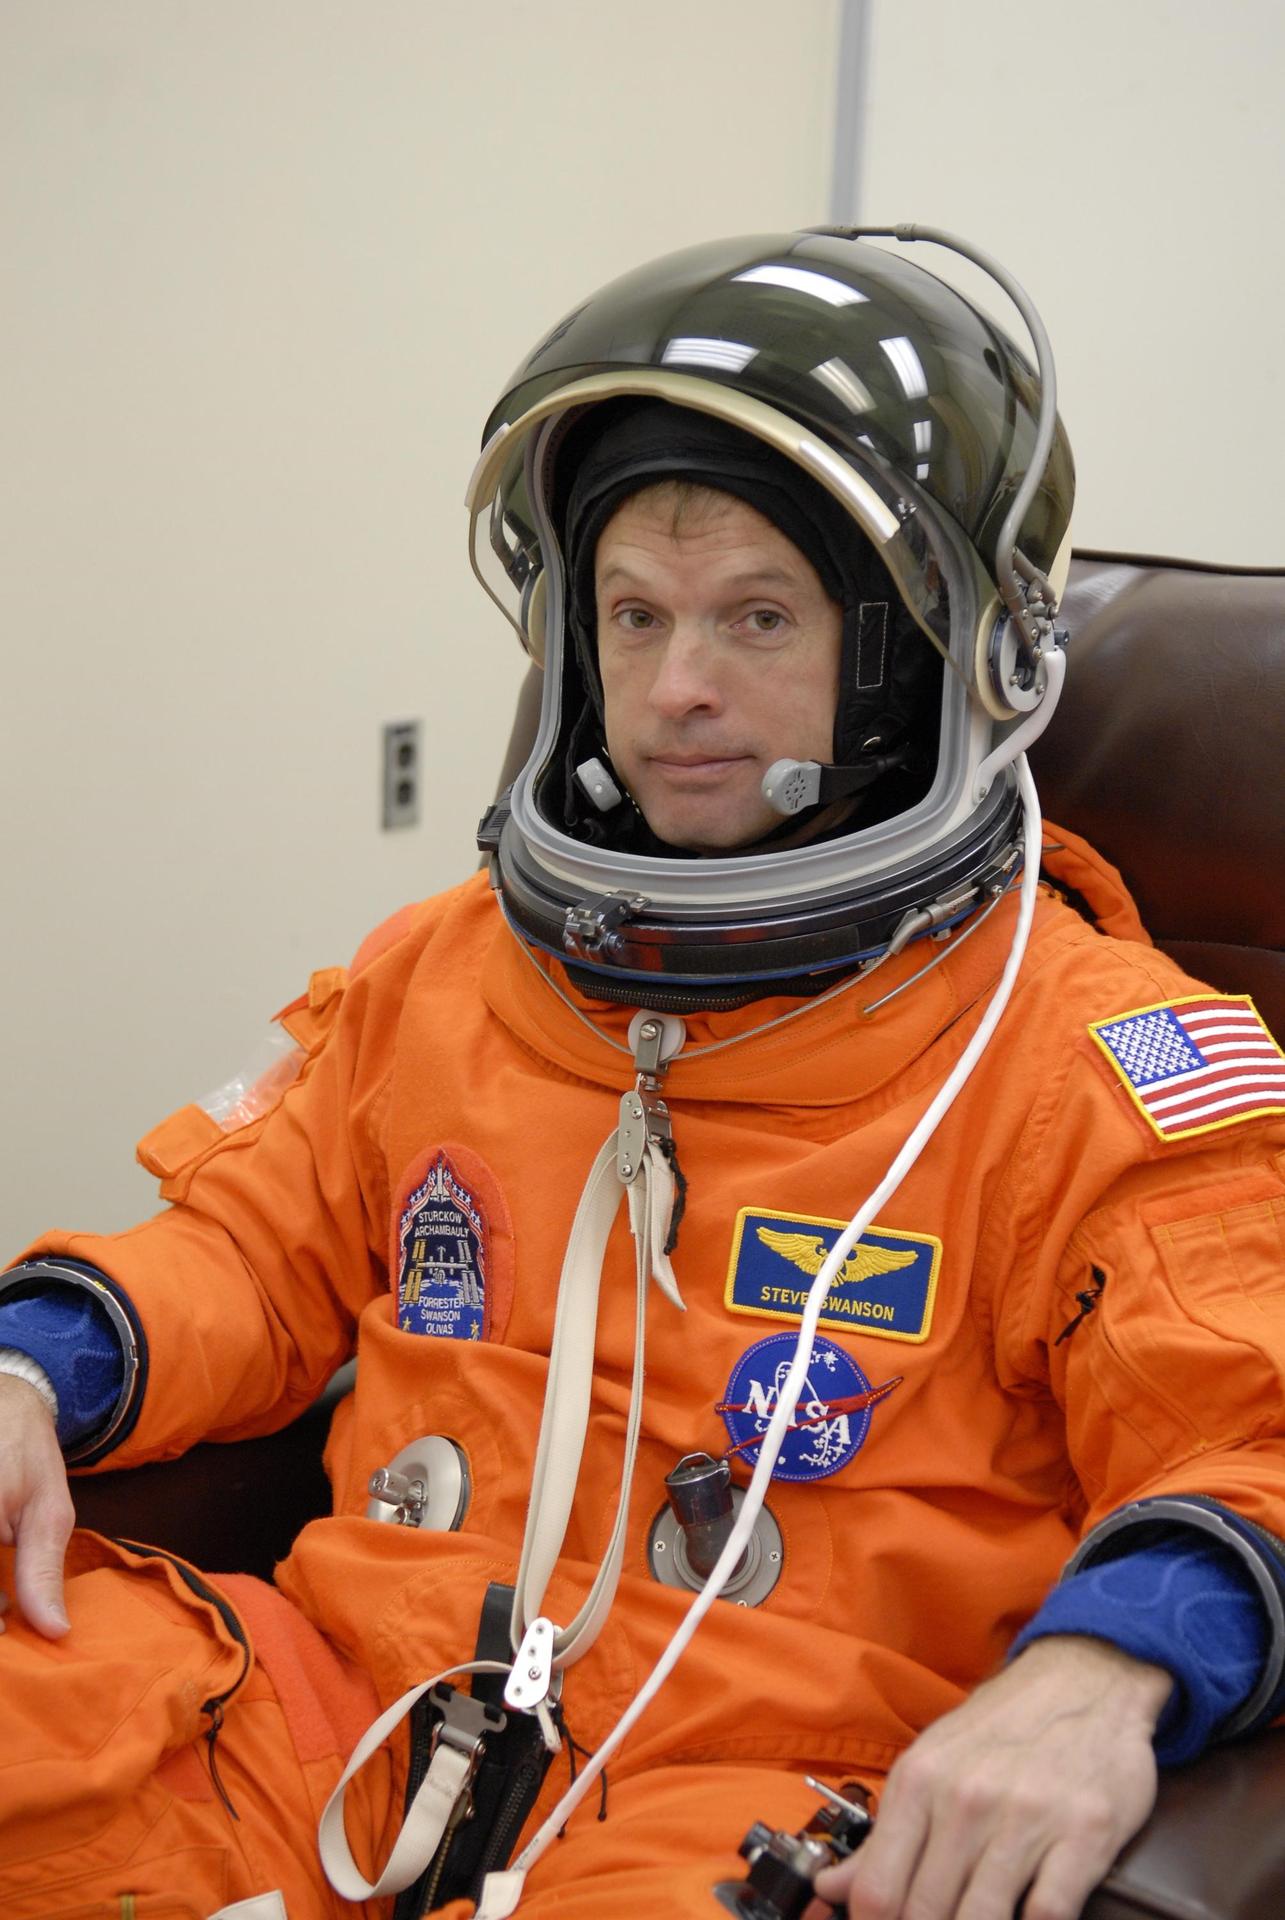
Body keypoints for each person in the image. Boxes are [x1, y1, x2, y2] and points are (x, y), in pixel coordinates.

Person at [2, 226, 1284, 1920]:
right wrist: (28, 1371)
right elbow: (244, 1249)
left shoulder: (1085, 1060)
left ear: (930, 653)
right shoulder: (446, 972)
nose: (675, 691)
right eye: (634, 614)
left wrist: (1103, 1672)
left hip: (752, 1787)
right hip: (345, 1708)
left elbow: (1248, 1428)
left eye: (757, 617)